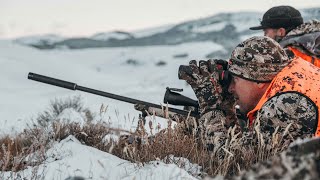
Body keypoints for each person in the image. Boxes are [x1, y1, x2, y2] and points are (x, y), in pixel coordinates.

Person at [178, 36, 320, 150]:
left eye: (235, 80)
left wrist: (211, 106)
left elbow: (237, 164)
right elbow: (244, 145)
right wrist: (226, 105)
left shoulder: (287, 104)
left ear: (258, 80)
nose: (231, 88)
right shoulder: (296, 75)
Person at [249, 6, 320, 67]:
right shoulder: (313, 44)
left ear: (281, 32)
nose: (265, 36)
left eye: (266, 32)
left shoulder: (289, 57)